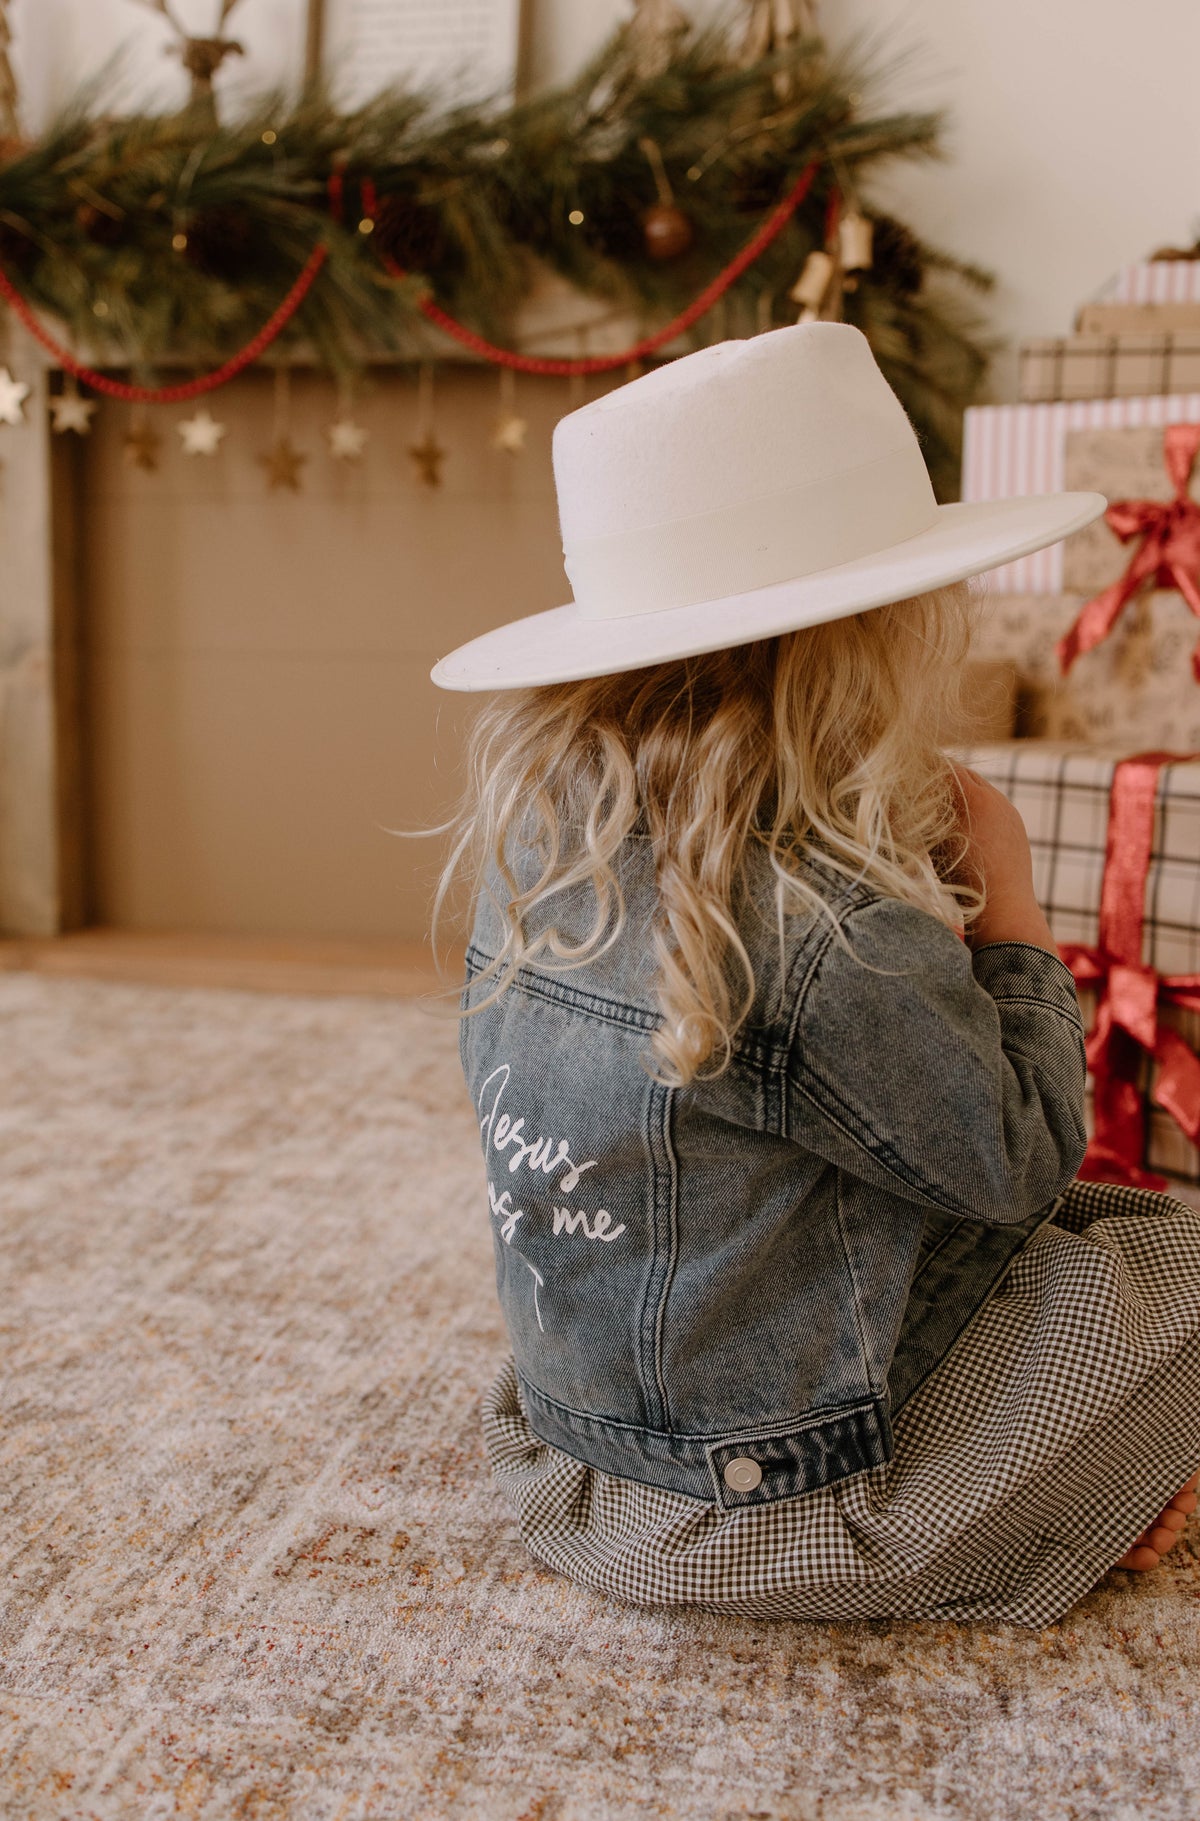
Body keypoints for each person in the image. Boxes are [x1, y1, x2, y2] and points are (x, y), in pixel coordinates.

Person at [430, 323, 1200, 1627]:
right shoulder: (821, 923)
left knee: (1109, 1239)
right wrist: (1007, 908)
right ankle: (1064, 1491)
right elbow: (1015, 1160)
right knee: (1164, 1276)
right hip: (764, 1494)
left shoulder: (537, 855)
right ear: (875, 640)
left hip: (573, 1452)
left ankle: (1081, 1464)